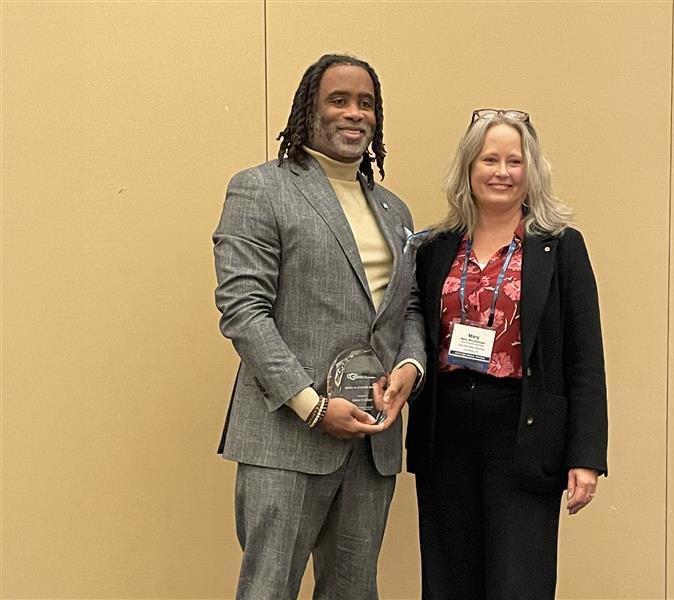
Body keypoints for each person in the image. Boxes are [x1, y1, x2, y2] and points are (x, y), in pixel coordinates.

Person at [213, 54, 425, 600]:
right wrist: (311, 405)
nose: (354, 113)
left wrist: (410, 366)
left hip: (372, 442)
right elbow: (243, 310)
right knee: (269, 589)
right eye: (339, 100)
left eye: (366, 103)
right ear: (310, 108)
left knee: (354, 591)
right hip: (287, 437)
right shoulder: (260, 189)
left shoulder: (395, 211)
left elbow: (411, 308)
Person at [406, 109, 608, 599]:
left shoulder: (559, 247)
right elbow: (413, 330)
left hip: (525, 434)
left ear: (530, 170)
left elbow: (585, 358)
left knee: (519, 582)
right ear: (468, 169)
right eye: (489, 159)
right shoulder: (434, 248)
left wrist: (586, 458)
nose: (501, 171)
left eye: (514, 161)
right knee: (448, 582)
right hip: (445, 433)